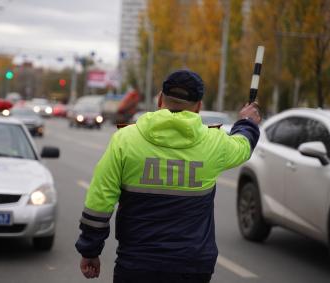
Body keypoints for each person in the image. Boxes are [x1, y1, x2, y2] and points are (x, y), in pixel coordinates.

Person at [75, 70, 261, 283]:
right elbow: (243, 146)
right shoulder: (214, 144)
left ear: (160, 99)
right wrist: (247, 122)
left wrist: (90, 250)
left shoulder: (125, 140)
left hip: (137, 264)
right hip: (192, 266)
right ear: (199, 106)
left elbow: (99, 200)